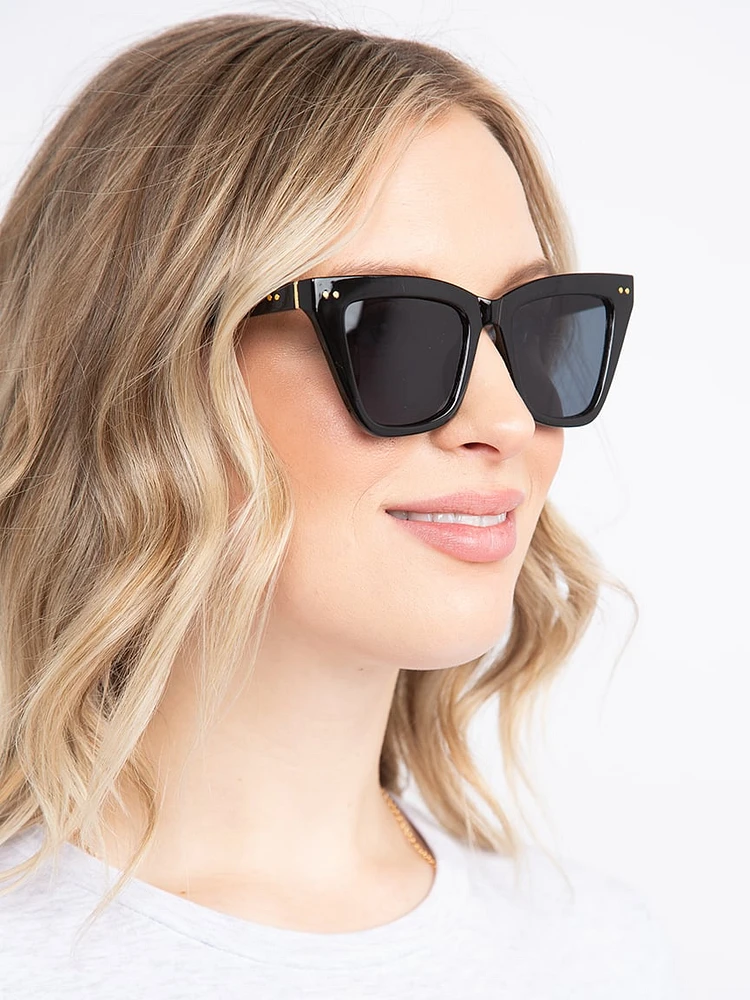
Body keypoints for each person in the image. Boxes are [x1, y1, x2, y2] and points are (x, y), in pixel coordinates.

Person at [0, 12, 680, 999]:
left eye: (536, 329)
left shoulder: (597, 957)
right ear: (141, 370)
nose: (508, 419)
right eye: (392, 330)